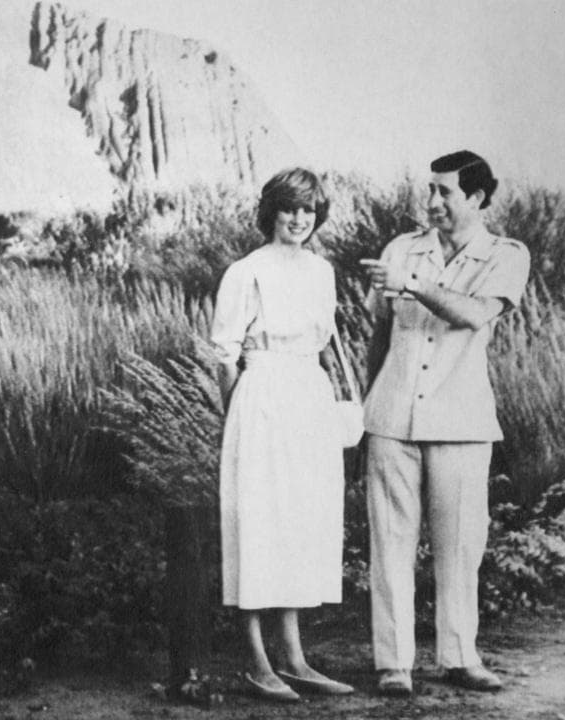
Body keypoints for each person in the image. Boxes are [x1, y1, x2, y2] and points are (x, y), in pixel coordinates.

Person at [360, 150, 530, 696]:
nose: (431, 202)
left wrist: (412, 282)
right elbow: (379, 334)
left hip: (462, 421)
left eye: (445, 192)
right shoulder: (402, 248)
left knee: (460, 545)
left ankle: (460, 656)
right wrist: (368, 408)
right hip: (393, 416)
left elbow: (474, 313)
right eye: (429, 190)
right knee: (390, 542)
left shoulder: (505, 255)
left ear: (478, 198)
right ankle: (394, 663)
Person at [208, 167, 355, 703]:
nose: (299, 219)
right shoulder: (246, 271)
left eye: (309, 211)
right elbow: (225, 355)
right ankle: (256, 660)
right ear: (271, 212)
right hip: (262, 398)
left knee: (298, 523)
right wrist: (238, 414)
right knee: (259, 523)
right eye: (290, 209)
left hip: (308, 399)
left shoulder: (321, 271)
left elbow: (325, 347)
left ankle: (294, 658)